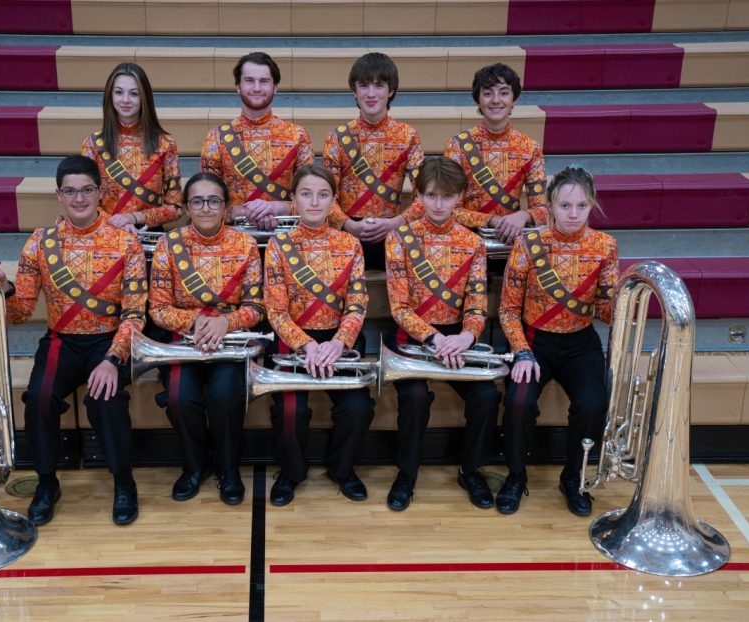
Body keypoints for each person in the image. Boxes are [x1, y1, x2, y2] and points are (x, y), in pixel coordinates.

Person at [0, 155, 147, 526]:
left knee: (107, 398)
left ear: (100, 192)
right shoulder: (39, 243)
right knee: (39, 398)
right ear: (58, 195)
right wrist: (6, 289)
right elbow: (20, 312)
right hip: (61, 341)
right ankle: (47, 483)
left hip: (108, 341)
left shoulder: (125, 242)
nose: (79, 198)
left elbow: (134, 313)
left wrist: (113, 360)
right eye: (70, 191)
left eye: (87, 190)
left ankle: (124, 482)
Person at [497, 165, 618, 516]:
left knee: (593, 403)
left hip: (581, 343)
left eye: (581, 206)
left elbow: (606, 313)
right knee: (519, 402)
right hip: (534, 341)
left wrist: (620, 300)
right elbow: (507, 310)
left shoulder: (605, 246)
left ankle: (574, 478)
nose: (573, 214)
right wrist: (521, 352)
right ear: (549, 205)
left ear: (591, 205)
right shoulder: (528, 243)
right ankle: (516, 476)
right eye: (565, 205)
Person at [384, 157, 502, 511]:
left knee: (486, 397)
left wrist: (467, 337)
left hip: (460, 337)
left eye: (447, 196)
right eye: (431, 195)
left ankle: (471, 469)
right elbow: (399, 308)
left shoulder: (474, 244)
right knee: (416, 398)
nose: (438, 204)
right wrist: (435, 340)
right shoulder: (398, 239)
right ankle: (406, 473)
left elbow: (478, 304)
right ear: (418, 194)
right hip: (415, 335)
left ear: (460, 197)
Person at [148, 173, 264, 505]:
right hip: (185, 340)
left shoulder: (246, 245)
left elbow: (257, 307)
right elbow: (157, 307)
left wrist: (226, 323)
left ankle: (228, 467)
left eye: (214, 200)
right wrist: (197, 322)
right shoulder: (168, 244)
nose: (206, 208)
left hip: (232, 341)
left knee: (225, 394)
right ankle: (195, 465)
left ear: (226, 207)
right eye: (197, 201)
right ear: (186, 206)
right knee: (177, 397)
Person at [264, 164, 374, 506]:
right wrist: (307, 345)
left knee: (358, 406)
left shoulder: (351, 245)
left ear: (333, 201)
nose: (314, 201)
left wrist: (339, 342)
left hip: (340, 341)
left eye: (323, 194)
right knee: (290, 410)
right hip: (293, 342)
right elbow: (277, 311)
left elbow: (357, 305)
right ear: (293, 199)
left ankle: (341, 469)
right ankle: (291, 471)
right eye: (306, 194)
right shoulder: (278, 245)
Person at [411, 63, 547, 246]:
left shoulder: (531, 148)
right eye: (488, 93)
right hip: (463, 238)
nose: (496, 100)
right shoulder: (458, 145)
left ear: (515, 99)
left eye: (504, 93)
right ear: (478, 100)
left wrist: (524, 215)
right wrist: (490, 220)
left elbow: (542, 209)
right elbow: (450, 208)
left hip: (511, 239)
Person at [323, 52, 425, 269]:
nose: (371, 94)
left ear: (391, 91)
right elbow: (325, 196)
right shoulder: (337, 137)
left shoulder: (409, 135)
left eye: (379, 85)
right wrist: (348, 225)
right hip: (345, 232)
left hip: (391, 232)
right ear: (354, 91)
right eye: (363, 85)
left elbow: (425, 196)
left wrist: (396, 223)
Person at [200, 52, 318, 231]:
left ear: (275, 87)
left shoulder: (298, 135)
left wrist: (276, 208)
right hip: (231, 239)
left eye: (264, 81)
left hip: (288, 236)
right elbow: (206, 200)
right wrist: (245, 212)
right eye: (249, 80)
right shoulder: (216, 137)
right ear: (238, 87)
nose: (256, 88)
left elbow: (312, 199)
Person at [81, 62, 182, 233]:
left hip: (148, 234)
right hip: (105, 233)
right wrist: (118, 222)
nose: (125, 100)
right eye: (119, 92)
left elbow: (176, 208)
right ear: (110, 96)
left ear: (144, 98)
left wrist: (133, 218)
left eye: (134, 94)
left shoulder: (165, 143)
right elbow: (86, 201)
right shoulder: (92, 144)